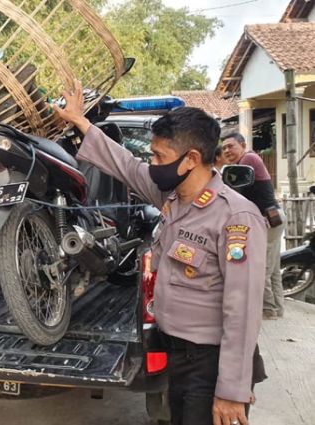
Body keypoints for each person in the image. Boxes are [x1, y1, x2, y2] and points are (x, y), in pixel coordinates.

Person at [53, 81, 266, 425]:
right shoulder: (171, 197)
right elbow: (124, 165)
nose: (151, 164)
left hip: (210, 365)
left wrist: (232, 390)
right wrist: (82, 122)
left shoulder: (234, 217)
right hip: (177, 353)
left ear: (192, 159)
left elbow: (243, 313)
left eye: (159, 157)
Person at [222, 132, 286, 319]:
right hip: (274, 217)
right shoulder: (246, 160)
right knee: (273, 269)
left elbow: (235, 189)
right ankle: (277, 309)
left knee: (262, 267)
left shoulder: (248, 158)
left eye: (230, 146)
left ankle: (267, 310)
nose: (227, 150)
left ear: (242, 145)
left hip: (269, 219)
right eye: (224, 148)